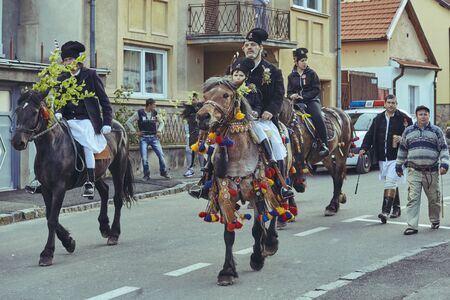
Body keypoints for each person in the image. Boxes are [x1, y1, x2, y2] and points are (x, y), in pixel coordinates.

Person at [55, 41, 113, 197]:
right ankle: (46, 178)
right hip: (67, 120)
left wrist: (107, 122)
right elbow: (59, 100)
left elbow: (104, 101)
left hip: (86, 120)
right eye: (65, 60)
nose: (67, 63)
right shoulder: (62, 78)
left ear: (77, 60)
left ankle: (90, 181)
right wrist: (58, 111)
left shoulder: (91, 75)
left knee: (86, 143)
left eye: (70, 59)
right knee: (52, 139)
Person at [359, 95, 413, 223]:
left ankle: (385, 211)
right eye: (388, 102)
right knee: (392, 181)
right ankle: (397, 207)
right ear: (385, 104)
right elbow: (370, 134)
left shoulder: (404, 119)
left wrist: (402, 139)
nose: (391, 105)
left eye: (393, 103)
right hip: (383, 156)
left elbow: (412, 134)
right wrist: (364, 148)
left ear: (396, 104)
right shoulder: (378, 119)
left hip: (398, 156)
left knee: (390, 181)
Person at [396, 105, 449, 235]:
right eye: (420, 114)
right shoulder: (408, 131)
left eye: (425, 114)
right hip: (414, 170)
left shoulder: (436, 131)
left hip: (431, 171)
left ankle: (435, 219)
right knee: (412, 198)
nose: (423, 116)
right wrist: (398, 165)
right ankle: (412, 226)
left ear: (428, 116)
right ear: (416, 116)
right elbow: (403, 149)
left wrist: (445, 164)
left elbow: (443, 148)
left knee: (433, 199)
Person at [287, 47, 329, 157]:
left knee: (317, 116)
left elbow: (316, 89)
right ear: (296, 62)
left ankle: (324, 144)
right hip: (296, 103)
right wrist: (292, 95)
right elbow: (289, 91)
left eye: (306, 60)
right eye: (302, 60)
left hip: (311, 101)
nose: (305, 63)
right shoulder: (291, 76)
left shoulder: (312, 73)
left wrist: (302, 96)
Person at [126, 98, 171, 180]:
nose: (155, 106)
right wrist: (135, 132)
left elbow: (162, 122)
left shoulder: (155, 113)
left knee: (161, 155)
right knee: (144, 157)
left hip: (154, 138)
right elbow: (128, 122)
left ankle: (163, 172)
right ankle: (146, 175)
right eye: (154, 104)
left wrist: (159, 131)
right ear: (149, 105)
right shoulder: (139, 113)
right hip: (143, 138)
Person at [181, 92, 205, 177]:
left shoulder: (203, 109)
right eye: (191, 99)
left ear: (198, 100)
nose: (192, 101)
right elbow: (186, 123)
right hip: (191, 134)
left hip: (201, 133)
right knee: (188, 150)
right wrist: (187, 134)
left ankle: (203, 170)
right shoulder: (189, 110)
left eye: (194, 99)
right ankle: (190, 170)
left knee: (201, 151)